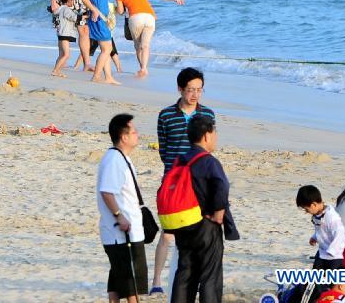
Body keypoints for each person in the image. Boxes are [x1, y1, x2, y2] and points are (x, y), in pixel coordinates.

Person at [152, 68, 216, 295]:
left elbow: (209, 147)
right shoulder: (166, 115)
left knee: (200, 233)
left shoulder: (208, 114)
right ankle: (157, 280)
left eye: (199, 90)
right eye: (190, 90)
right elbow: (164, 148)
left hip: (200, 183)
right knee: (168, 233)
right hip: (174, 181)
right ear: (180, 89)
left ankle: (195, 280)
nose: (195, 94)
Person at [171, 115, 239, 303]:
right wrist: (219, 213)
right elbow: (222, 185)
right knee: (210, 276)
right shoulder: (209, 161)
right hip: (206, 224)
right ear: (207, 135)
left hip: (183, 223)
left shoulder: (181, 159)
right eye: (215, 132)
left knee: (185, 273)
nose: (216, 137)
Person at [98, 113, 149, 303]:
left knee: (118, 281)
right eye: (134, 131)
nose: (138, 134)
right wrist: (119, 216)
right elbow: (107, 191)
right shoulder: (114, 160)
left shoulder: (120, 157)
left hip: (124, 232)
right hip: (120, 233)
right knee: (130, 285)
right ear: (124, 137)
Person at [116, 0, 184, 77]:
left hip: (135, 19)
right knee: (146, 45)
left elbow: (120, 11)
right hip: (149, 17)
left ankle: (143, 69)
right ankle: (143, 68)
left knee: (138, 46)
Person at [296, 185, 345, 297]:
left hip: (334, 256)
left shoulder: (332, 217)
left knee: (333, 282)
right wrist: (314, 237)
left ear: (314, 204)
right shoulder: (317, 215)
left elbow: (340, 234)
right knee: (316, 279)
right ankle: (319, 296)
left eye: (306, 209)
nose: (306, 212)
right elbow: (321, 230)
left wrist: (332, 251)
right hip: (322, 253)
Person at [81, 0, 119, 84]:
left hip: (101, 18)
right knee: (107, 49)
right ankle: (96, 75)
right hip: (98, 19)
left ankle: (108, 77)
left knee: (106, 49)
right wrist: (94, 10)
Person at [52, 0, 79, 77]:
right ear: (69, 0)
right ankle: (55, 70)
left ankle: (57, 71)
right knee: (67, 55)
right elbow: (73, 17)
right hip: (64, 35)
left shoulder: (59, 9)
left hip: (60, 34)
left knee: (61, 55)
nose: (73, 1)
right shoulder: (66, 9)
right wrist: (83, 17)